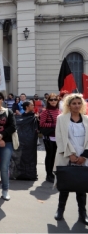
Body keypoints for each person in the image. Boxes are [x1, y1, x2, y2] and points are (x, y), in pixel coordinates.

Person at [54, 93, 88, 225]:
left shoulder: (86, 119)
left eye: (79, 103)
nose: (77, 106)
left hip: (84, 156)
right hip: (67, 155)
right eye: (74, 103)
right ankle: (60, 210)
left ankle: (83, 213)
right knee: (65, 184)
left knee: (82, 185)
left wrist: (84, 155)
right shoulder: (61, 119)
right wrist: (70, 154)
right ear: (69, 105)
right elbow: (60, 138)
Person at [40, 93, 60, 183]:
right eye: (51, 100)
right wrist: (54, 125)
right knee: (50, 156)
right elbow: (42, 124)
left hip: (59, 137)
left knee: (57, 156)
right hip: (49, 137)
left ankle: (55, 172)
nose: (53, 101)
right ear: (48, 101)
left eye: (55, 99)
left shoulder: (60, 111)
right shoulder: (45, 111)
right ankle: (49, 174)